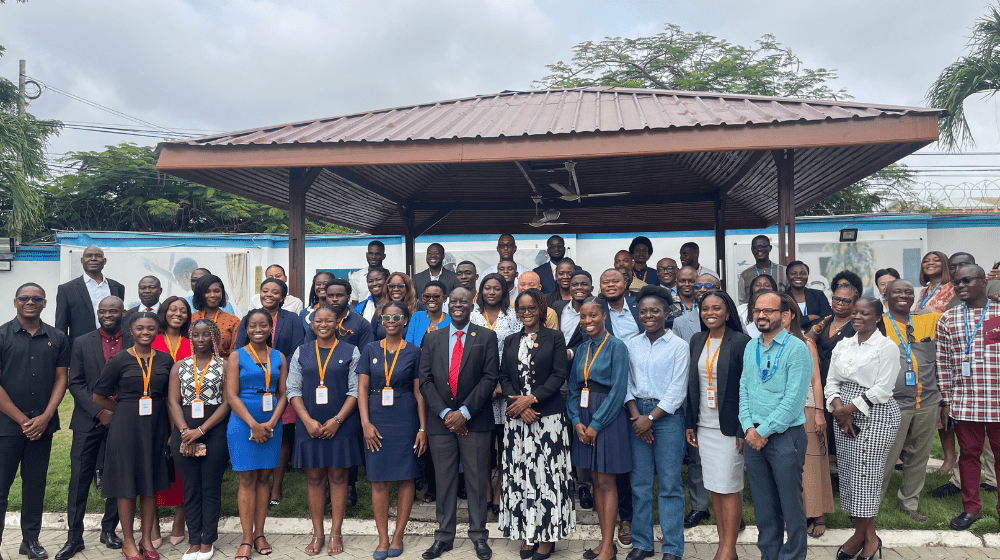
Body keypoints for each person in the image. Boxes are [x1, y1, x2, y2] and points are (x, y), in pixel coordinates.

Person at [418, 287, 499, 560]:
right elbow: (425, 381)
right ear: (446, 303)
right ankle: (444, 537)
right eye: (454, 301)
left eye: (463, 301)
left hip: (475, 421)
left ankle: (478, 536)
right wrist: (445, 414)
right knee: (445, 481)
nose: (458, 305)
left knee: (477, 481)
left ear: (471, 303)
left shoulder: (486, 336)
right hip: (440, 423)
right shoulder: (432, 339)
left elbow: (489, 379)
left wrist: (463, 412)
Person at [498, 289, 574, 559]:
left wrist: (530, 400)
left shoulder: (554, 337)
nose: (526, 313)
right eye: (521, 309)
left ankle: (547, 536)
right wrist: (518, 406)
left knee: (546, 479)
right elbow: (504, 376)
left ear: (541, 310)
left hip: (548, 419)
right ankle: (526, 533)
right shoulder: (509, 341)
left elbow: (558, 375)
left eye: (531, 308)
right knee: (521, 477)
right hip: (518, 422)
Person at [93, 312, 173, 560]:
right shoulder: (118, 360)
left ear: (157, 331)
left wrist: (172, 432)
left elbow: (171, 398)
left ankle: (146, 539)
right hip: (126, 427)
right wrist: (123, 411)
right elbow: (99, 396)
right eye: (140, 328)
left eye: (151, 328)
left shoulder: (166, 360)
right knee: (127, 485)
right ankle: (128, 541)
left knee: (149, 484)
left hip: (157, 426)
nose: (146, 332)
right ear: (131, 330)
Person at [738, 291, 813, 560]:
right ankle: (769, 555)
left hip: (784, 437)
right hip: (753, 436)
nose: (761, 315)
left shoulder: (797, 349)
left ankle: (792, 556)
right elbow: (743, 389)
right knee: (764, 506)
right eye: (757, 310)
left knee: (790, 505)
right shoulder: (750, 347)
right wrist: (749, 427)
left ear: (785, 315)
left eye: (768, 310)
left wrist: (762, 431)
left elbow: (793, 402)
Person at [825, 297, 900, 560]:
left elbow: (883, 389)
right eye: (854, 312)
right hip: (842, 413)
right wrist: (838, 409)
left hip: (876, 415)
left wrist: (848, 410)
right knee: (850, 477)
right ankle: (869, 537)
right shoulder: (843, 345)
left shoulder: (886, 346)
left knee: (865, 477)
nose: (857, 317)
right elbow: (831, 381)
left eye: (864, 313)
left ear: (877, 317)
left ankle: (860, 538)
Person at [0, 284, 70, 560]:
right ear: (15, 302)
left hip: (43, 427)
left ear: (44, 304)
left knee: (35, 485)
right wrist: (22, 419)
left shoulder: (57, 337)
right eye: (25, 298)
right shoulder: (2, 335)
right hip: (6, 427)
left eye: (36, 298)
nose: (31, 302)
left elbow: (61, 378)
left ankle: (30, 541)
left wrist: (45, 417)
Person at [287, 305, 362, 556]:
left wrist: (337, 421)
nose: (323, 325)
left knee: (339, 477)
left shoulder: (351, 351)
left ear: (337, 323)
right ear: (312, 323)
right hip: (309, 424)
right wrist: (307, 420)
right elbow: (293, 390)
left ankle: (336, 532)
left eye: (329, 321)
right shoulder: (302, 352)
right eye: (318, 321)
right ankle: (318, 533)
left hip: (341, 424)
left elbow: (355, 390)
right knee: (315, 477)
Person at [358, 301, 427, 559]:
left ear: (405, 320)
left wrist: (422, 428)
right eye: (386, 316)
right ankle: (383, 538)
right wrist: (365, 423)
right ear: (380, 319)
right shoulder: (369, 349)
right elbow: (362, 390)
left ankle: (398, 535)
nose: (391, 320)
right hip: (375, 415)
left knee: (406, 477)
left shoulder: (414, 351)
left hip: (405, 416)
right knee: (379, 478)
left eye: (397, 316)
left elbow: (419, 393)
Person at [57, 296, 125, 560]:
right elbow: (75, 383)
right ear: (98, 313)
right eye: (103, 311)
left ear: (122, 312)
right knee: (79, 480)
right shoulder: (82, 342)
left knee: (117, 476)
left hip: (123, 420)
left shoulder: (132, 341)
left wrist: (117, 413)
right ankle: (74, 537)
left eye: (113, 311)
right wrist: (100, 412)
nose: (107, 315)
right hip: (88, 421)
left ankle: (109, 530)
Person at [685, 291, 750, 560]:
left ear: (727, 312)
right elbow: (692, 385)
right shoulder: (697, 339)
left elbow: (747, 388)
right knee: (714, 486)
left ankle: (727, 549)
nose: (710, 313)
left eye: (717, 308)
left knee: (729, 486)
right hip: (704, 425)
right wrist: (690, 422)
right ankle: (725, 545)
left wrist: (742, 428)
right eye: (705, 308)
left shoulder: (741, 341)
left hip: (729, 428)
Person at [623, 286, 687, 560]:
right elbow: (625, 383)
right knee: (640, 484)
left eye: (655, 311)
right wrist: (638, 417)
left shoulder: (679, 346)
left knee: (671, 484)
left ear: (666, 313)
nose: (648, 315)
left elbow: (678, 389)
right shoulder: (631, 344)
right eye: (644, 311)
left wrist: (650, 419)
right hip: (637, 415)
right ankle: (643, 544)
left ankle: (672, 548)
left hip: (667, 418)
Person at [567, 299, 632, 560]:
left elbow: (618, 391)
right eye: (583, 317)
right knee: (593, 480)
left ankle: (608, 546)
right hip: (583, 416)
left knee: (606, 480)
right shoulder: (582, 349)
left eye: (593, 315)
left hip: (607, 417)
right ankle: (603, 543)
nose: (588, 321)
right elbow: (573, 389)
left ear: (604, 316)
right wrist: (576, 421)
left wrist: (596, 424)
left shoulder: (618, 347)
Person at [937, 264, 1000, 531]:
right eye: (956, 282)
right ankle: (971, 508)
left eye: (966, 280)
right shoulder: (948, 318)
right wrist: (946, 399)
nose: (960, 286)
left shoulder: (999, 311)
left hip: (998, 400)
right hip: (965, 402)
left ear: (982, 281)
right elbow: (942, 362)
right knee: (969, 456)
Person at [236, 279, 306, 510]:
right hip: (251, 381)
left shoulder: (292, 319)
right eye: (265, 290)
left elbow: (297, 349)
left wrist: (275, 365)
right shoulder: (249, 318)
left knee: (282, 434)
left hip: (279, 378)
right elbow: (239, 346)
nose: (269, 295)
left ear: (283, 297)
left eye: (275, 292)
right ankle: (254, 483)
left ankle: (276, 486)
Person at [225, 310, 289, 560]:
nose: (258, 329)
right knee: (246, 480)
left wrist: (271, 422)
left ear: (270, 328)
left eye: (263, 325)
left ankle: (260, 533)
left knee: (264, 478)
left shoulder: (279, 356)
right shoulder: (236, 356)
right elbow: (231, 395)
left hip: (272, 422)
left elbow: (284, 393)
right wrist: (253, 424)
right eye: (253, 325)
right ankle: (245, 538)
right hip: (243, 423)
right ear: (247, 329)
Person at [166, 319, 231, 560]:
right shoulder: (179, 366)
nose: (201, 339)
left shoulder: (224, 365)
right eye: (196, 335)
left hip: (213, 430)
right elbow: (173, 401)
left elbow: (227, 402)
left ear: (215, 337)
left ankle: (208, 541)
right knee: (190, 489)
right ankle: (194, 540)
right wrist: (185, 433)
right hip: (183, 431)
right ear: (190, 338)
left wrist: (200, 431)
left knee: (210, 487)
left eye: (206, 335)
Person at [880, 279, 942, 523]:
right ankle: (871, 503)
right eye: (898, 292)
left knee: (919, 456)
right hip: (892, 403)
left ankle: (909, 503)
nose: (904, 295)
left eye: (908, 291)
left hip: (927, 401)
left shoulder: (929, 320)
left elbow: (964, 309)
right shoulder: (879, 323)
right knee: (885, 456)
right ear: (887, 295)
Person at [780, 295, 834, 540]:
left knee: (812, 462)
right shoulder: (764, 343)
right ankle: (796, 513)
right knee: (788, 465)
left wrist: (820, 413)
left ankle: (818, 514)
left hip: (807, 410)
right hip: (780, 412)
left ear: (792, 315)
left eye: (783, 312)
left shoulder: (805, 342)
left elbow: (816, 381)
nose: (776, 317)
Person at [471, 274, 522, 515]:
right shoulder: (472, 316)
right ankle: (487, 489)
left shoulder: (512, 317)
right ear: (481, 291)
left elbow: (517, 351)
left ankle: (501, 487)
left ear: (504, 292)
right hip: (478, 390)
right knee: (483, 445)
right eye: (487, 288)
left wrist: (504, 385)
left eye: (497, 288)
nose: (492, 292)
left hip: (504, 388)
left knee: (504, 443)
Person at [152, 296, 192, 548]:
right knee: (153, 465)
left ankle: (180, 519)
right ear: (163, 312)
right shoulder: (152, 339)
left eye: (183, 310)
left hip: (184, 411)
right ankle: (152, 522)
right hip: (153, 411)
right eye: (173, 309)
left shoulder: (192, 342)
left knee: (182, 466)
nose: (178, 314)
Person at [56, 245, 126, 342]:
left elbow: (120, 319)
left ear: (104, 261)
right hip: (81, 348)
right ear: (82, 260)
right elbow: (61, 326)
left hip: (113, 344)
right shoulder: (66, 289)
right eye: (89, 256)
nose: (93, 259)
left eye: (98, 256)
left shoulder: (117, 287)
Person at [190, 274, 240, 358]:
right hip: (192, 369)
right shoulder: (190, 319)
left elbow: (235, 354)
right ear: (199, 294)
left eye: (216, 291)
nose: (212, 295)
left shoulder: (233, 321)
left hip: (223, 369)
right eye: (207, 291)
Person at [373, 272, 423, 341]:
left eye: (400, 286)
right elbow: (372, 335)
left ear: (407, 288)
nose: (395, 289)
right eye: (391, 286)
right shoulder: (381, 308)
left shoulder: (417, 307)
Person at [737, 235, 786, 304]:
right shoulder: (745, 274)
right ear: (752, 249)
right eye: (756, 247)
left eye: (763, 246)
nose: (759, 249)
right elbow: (742, 301)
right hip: (754, 313)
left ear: (770, 248)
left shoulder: (783, 271)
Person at [785, 261, 832, 331]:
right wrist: (809, 318)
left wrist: (800, 322)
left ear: (807, 276)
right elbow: (784, 323)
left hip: (818, 338)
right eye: (793, 274)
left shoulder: (818, 295)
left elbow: (827, 318)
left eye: (803, 273)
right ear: (787, 277)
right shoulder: (782, 298)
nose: (798, 276)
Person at [673, 272, 719, 343]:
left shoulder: (727, 318)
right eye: (698, 286)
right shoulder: (680, 323)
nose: (702, 289)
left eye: (708, 286)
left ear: (718, 289)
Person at [407, 281, 452, 347]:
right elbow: (409, 345)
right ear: (422, 297)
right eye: (427, 296)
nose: (431, 299)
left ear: (444, 298)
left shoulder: (450, 320)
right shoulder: (416, 317)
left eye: (436, 296)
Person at [349, 240, 387, 306]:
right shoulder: (355, 277)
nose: (373, 257)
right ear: (366, 255)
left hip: (386, 314)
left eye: (377, 254)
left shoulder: (391, 276)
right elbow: (354, 303)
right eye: (370, 253)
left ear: (383, 256)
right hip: (362, 315)